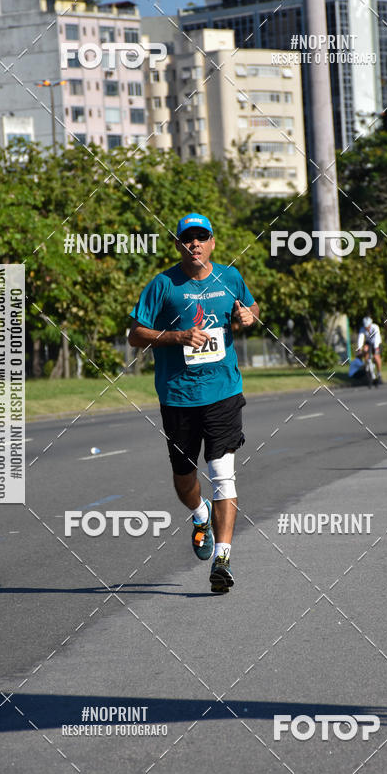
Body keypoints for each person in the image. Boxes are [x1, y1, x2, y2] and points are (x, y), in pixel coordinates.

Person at [128, 212, 259, 593]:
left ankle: (222, 558)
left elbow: (249, 309)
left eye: (202, 238)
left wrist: (248, 315)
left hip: (223, 391)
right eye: (188, 239)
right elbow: (135, 335)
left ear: (213, 243)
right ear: (178, 245)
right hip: (178, 395)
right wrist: (178, 337)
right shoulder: (163, 285)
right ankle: (200, 515)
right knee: (185, 478)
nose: (195, 244)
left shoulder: (230, 278)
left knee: (222, 473)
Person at [357, 316, 382, 385]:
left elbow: (376, 338)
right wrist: (359, 348)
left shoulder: (375, 327)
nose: (367, 328)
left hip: (376, 343)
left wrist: (376, 348)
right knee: (365, 350)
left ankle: (379, 374)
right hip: (369, 342)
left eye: (368, 326)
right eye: (365, 327)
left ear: (370, 324)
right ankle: (368, 369)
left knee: (376, 357)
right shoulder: (362, 329)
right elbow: (361, 338)